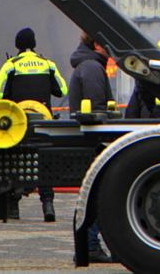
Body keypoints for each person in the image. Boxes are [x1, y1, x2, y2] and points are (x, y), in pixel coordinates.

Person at [0, 27, 69, 221]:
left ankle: (14, 207)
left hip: (19, 123)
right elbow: (62, 90)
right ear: (34, 45)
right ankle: (48, 205)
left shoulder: (11, 65)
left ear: (17, 45)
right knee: (44, 163)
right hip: (45, 122)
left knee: (16, 160)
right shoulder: (47, 64)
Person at [68, 32, 114, 264]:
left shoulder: (87, 65)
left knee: (94, 193)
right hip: (92, 141)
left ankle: (91, 246)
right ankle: (91, 246)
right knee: (97, 194)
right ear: (97, 44)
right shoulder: (93, 68)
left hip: (87, 140)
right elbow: (97, 107)